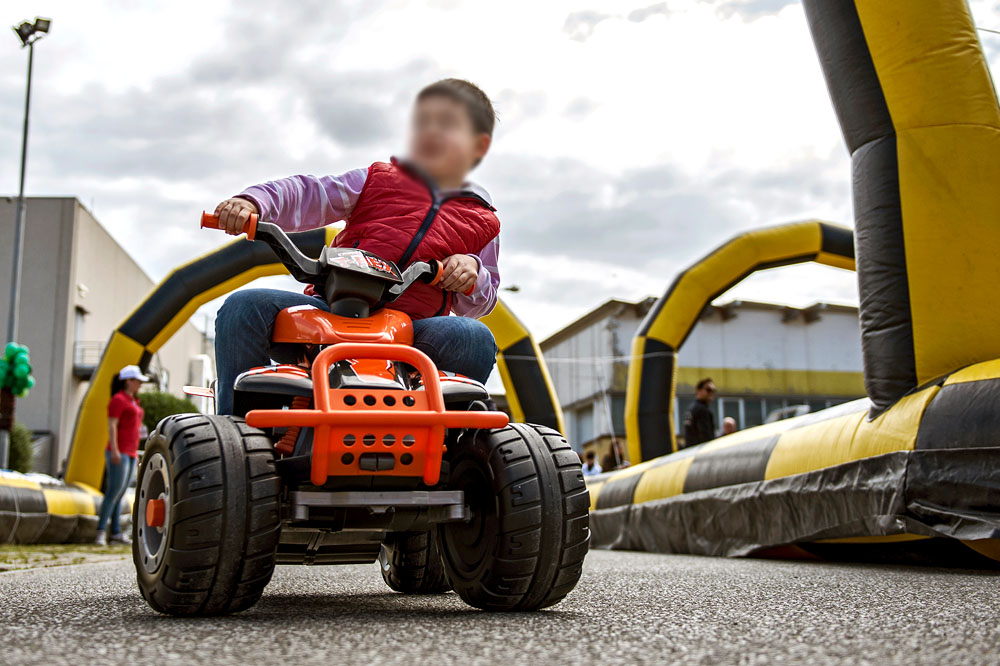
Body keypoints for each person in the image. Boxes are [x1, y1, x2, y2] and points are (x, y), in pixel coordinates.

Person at [212, 79, 501, 415]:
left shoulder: (483, 221)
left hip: (413, 325)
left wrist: (472, 272)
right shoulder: (378, 179)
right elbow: (309, 193)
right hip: (332, 306)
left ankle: (452, 441)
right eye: (425, 121)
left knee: (473, 336)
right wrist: (254, 202)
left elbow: (482, 302)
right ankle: (239, 429)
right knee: (244, 306)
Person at [95, 365, 147, 545]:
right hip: (119, 452)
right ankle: (101, 531)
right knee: (113, 492)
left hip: (131, 453)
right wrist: (115, 450)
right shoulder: (118, 399)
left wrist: (136, 452)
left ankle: (115, 533)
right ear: (128, 381)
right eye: (137, 381)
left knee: (121, 493)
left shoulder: (134, 401)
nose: (140, 384)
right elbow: (112, 425)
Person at [682, 377, 716, 449]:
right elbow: (705, 436)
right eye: (708, 390)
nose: (711, 393)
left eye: (713, 390)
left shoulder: (692, 408)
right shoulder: (701, 410)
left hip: (690, 451)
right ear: (698, 390)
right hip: (700, 451)